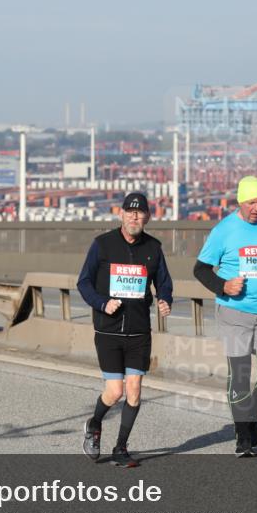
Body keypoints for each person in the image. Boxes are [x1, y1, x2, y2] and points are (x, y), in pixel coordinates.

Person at [193, 176, 257, 457]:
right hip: (234, 312)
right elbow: (200, 270)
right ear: (240, 202)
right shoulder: (224, 230)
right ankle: (242, 435)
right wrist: (223, 286)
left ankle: (249, 415)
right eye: (251, 203)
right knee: (240, 374)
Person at [77, 192, 173, 468]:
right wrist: (102, 303)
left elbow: (163, 282)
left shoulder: (153, 248)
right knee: (115, 391)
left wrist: (165, 299)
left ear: (147, 217)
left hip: (139, 331)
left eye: (139, 213)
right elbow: (83, 282)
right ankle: (94, 424)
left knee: (134, 390)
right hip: (108, 331)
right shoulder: (102, 244)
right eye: (130, 212)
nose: (134, 217)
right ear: (121, 214)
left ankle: (121, 448)